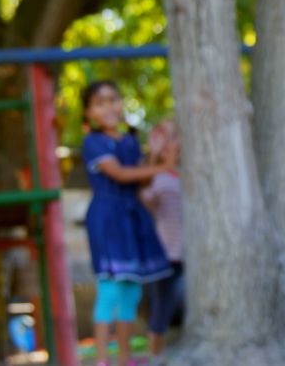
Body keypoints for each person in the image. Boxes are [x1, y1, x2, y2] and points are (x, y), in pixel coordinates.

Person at [81, 80, 173, 366]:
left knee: (131, 290)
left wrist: (156, 154)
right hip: (109, 221)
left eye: (113, 99)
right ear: (88, 113)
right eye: (100, 102)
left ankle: (124, 359)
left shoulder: (130, 142)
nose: (108, 106)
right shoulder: (93, 143)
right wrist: (164, 166)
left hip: (132, 220)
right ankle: (101, 361)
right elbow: (120, 175)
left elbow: (141, 179)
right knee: (110, 289)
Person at [139, 119, 185, 358]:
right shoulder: (155, 175)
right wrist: (154, 158)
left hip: (191, 253)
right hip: (166, 253)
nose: (169, 142)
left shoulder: (189, 173)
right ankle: (155, 357)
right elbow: (145, 200)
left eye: (173, 136)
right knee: (161, 308)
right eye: (163, 138)